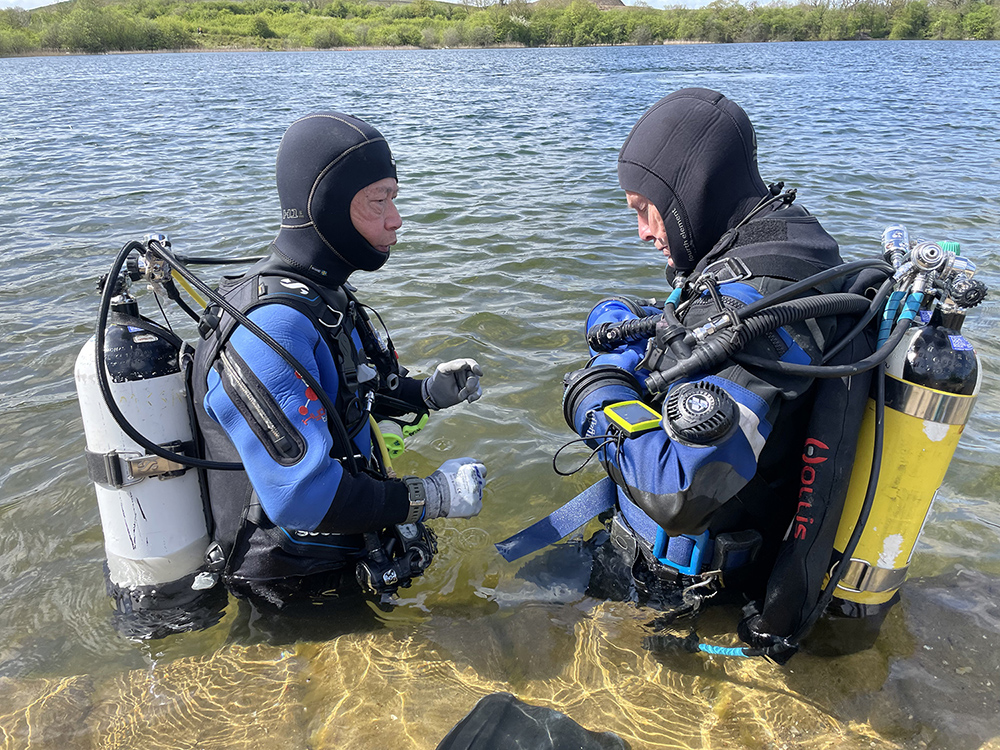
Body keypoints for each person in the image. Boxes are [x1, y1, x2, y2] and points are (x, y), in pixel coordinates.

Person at [560, 88, 872, 651]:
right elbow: (712, 327)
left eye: (644, 208)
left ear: (687, 193)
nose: (643, 233)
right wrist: (648, 322)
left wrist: (593, 391)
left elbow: (676, 489)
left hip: (686, 589)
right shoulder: (788, 243)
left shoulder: (761, 310)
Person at [192, 112, 487, 610]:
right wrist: (432, 497)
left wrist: (424, 393)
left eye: (394, 197)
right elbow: (300, 496)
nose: (396, 219)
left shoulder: (323, 294)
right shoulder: (273, 327)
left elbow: (349, 390)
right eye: (378, 201)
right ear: (324, 206)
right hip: (290, 583)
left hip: (341, 547)